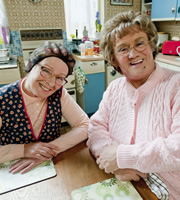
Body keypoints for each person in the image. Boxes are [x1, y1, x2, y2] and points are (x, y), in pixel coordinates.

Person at [87, 11, 180, 200]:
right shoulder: (114, 89)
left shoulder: (176, 86)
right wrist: (115, 164)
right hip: (122, 185)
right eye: (122, 49)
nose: (133, 54)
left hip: (168, 192)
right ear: (113, 59)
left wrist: (122, 156)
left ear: (151, 45)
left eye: (139, 43)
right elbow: (96, 128)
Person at [0, 42, 89, 174]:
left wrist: (48, 152)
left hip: (51, 165)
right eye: (46, 70)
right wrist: (24, 149)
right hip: (11, 169)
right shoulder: (3, 99)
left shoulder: (59, 94)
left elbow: (85, 125)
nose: (51, 83)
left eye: (59, 78)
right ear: (30, 66)